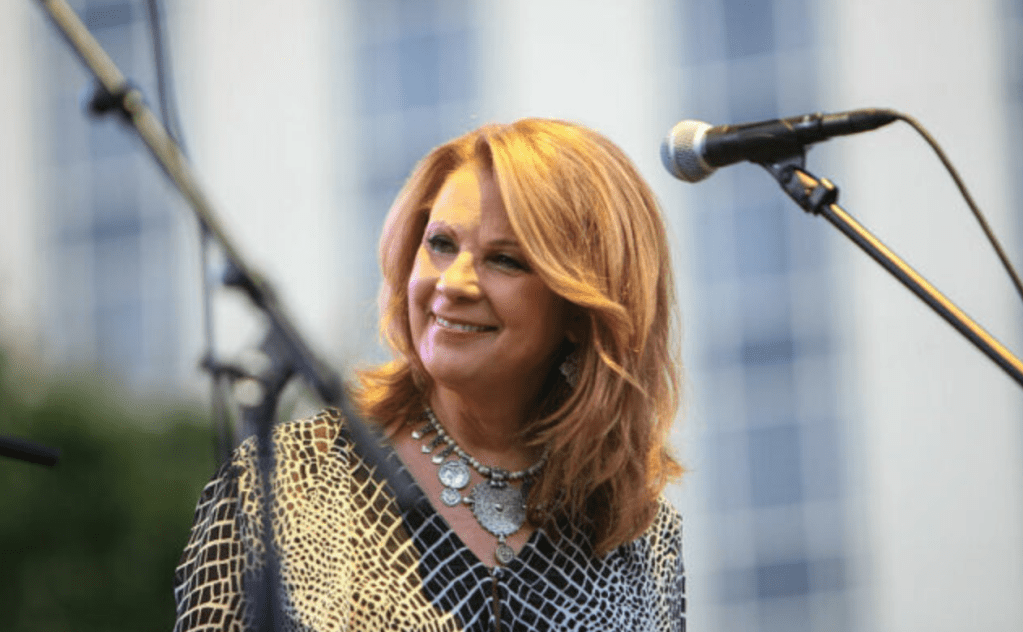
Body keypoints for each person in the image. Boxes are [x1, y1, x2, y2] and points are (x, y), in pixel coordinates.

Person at [172, 119, 686, 631]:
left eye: (504, 260)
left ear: (581, 310)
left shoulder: (640, 533)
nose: (453, 283)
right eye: (440, 244)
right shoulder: (287, 481)